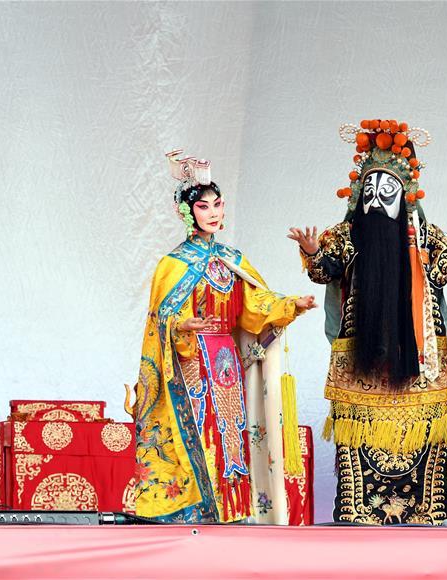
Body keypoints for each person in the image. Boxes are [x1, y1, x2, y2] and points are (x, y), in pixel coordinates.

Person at [288, 119, 447, 525]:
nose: (376, 201)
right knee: (357, 448)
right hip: (360, 364)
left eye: (386, 192)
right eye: (369, 191)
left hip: (419, 364)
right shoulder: (347, 235)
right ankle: (361, 518)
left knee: (429, 447)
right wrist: (314, 253)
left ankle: (432, 518)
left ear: (404, 195)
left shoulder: (426, 238)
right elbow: (326, 269)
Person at [130, 151, 317, 523]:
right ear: (188, 212)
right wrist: (181, 326)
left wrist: (290, 303)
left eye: (218, 204)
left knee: (234, 434)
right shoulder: (174, 264)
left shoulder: (233, 259)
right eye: (203, 206)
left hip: (227, 359)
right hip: (192, 361)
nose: (213, 212)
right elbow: (160, 316)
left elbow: (253, 303)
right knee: (201, 434)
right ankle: (198, 511)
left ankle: (234, 512)